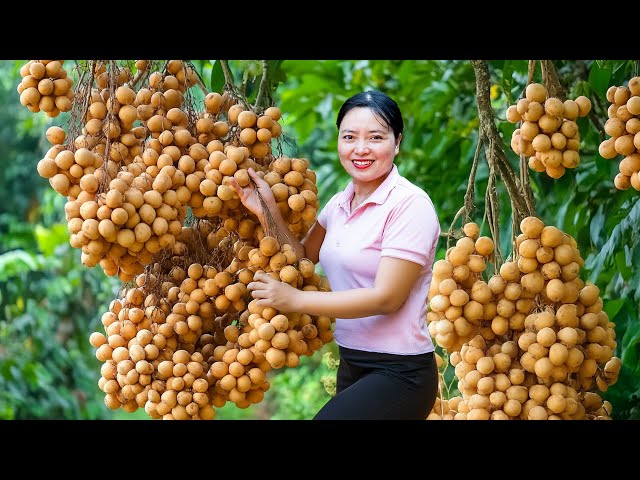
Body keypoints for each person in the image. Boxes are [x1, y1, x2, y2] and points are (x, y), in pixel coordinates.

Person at [229, 90, 440, 420]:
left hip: (401, 373)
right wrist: (266, 209)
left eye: (375, 137)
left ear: (397, 142)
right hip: (353, 362)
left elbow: (387, 298)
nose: (361, 148)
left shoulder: (410, 206)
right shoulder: (341, 203)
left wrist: (295, 300)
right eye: (350, 136)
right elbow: (301, 258)